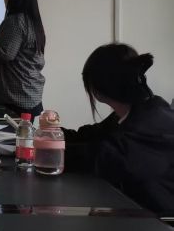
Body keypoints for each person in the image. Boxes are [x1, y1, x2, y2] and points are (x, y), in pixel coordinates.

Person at [63, 43, 174, 216]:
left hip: (159, 223)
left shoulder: (147, 127)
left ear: (97, 89)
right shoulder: (145, 108)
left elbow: (97, 156)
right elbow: (88, 135)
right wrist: (47, 134)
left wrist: (41, 149)